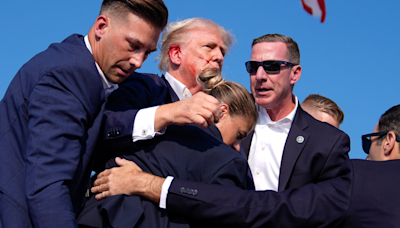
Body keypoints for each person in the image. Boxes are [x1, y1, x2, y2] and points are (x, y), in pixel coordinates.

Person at [0, 1, 168, 227]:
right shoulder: (72, 75)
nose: (138, 61)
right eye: (132, 45)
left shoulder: (69, 60)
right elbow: (47, 185)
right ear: (101, 27)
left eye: (146, 52)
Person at [92, 104, 400, 228]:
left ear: (388, 141)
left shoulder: (362, 181)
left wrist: (150, 184)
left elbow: (257, 208)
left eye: (368, 142)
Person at [77, 70, 258, 228]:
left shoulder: (154, 129)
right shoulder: (228, 162)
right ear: (223, 112)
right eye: (239, 135)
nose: (237, 146)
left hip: (94, 215)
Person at [240, 34, 350, 191]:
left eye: (272, 67)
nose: (259, 76)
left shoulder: (327, 142)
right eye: (253, 67)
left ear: (295, 74)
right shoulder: (227, 117)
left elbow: (327, 207)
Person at [100, 17, 233, 146]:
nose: (219, 57)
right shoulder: (145, 86)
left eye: (222, 52)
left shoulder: (213, 125)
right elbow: (105, 126)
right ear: (176, 54)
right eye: (209, 47)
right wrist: (170, 113)